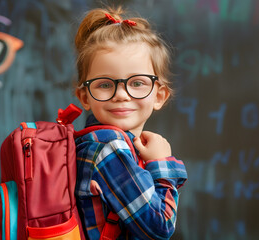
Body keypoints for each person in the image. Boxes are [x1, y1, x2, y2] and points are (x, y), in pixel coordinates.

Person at [72, 6, 188, 240]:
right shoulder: (109, 147)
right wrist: (161, 162)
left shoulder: (97, 141)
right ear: (85, 97)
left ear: (159, 96)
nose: (122, 95)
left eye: (137, 83)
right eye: (105, 84)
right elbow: (158, 228)